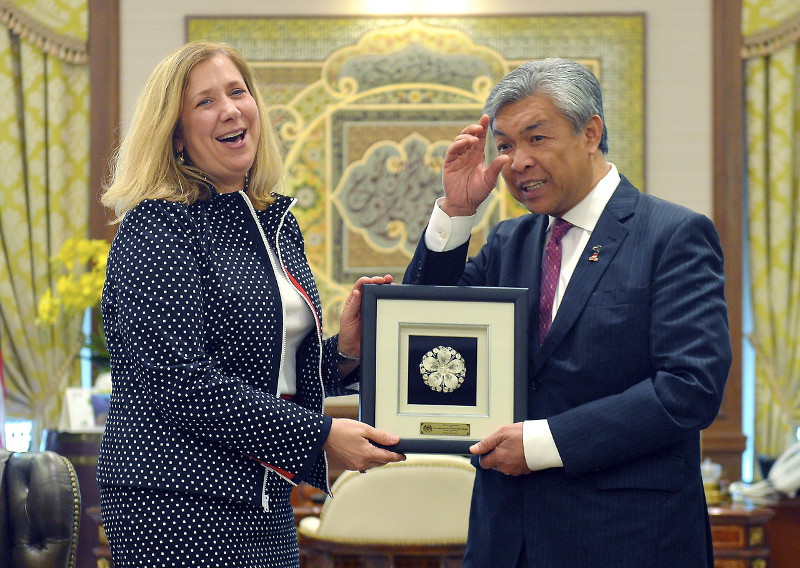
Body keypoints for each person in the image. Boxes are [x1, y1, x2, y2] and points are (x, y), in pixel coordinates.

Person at [404, 58, 731, 567]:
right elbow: (422, 328)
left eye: (536, 138)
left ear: (590, 133)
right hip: (506, 540)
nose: (518, 162)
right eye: (505, 146)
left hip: (627, 539)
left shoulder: (672, 235)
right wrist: (457, 213)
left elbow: (690, 388)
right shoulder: (510, 241)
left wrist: (543, 443)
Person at [97, 41, 405, 568]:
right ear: (175, 134)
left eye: (238, 92)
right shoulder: (157, 226)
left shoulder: (275, 224)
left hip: (263, 497)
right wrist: (321, 436)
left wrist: (344, 352)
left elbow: (268, 374)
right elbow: (181, 382)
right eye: (205, 101)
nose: (230, 110)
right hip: (176, 498)